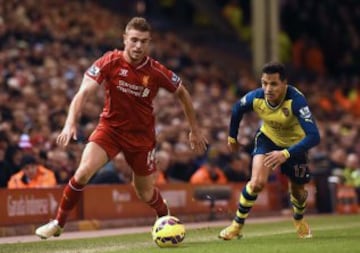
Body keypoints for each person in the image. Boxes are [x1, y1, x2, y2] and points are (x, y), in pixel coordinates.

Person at [35, 17, 207, 239]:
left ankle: (165, 218)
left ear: (149, 43)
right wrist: (70, 123)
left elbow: (182, 93)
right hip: (110, 129)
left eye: (143, 41)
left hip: (141, 137)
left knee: (144, 192)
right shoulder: (109, 61)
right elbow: (84, 92)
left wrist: (195, 129)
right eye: (134, 40)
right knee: (83, 172)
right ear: (124, 39)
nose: (138, 46)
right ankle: (58, 223)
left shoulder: (156, 71)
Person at [218, 62, 320, 240]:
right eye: (264, 83)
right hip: (268, 139)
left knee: (298, 192)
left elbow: (314, 136)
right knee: (257, 182)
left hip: (294, 147)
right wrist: (232, 138)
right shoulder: (256, 97)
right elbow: (236, 109)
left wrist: (286, 153)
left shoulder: (296, 101)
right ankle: (236, 226)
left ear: (284, 84)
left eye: (273, 84)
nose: (268, 88)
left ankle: (299, 219)